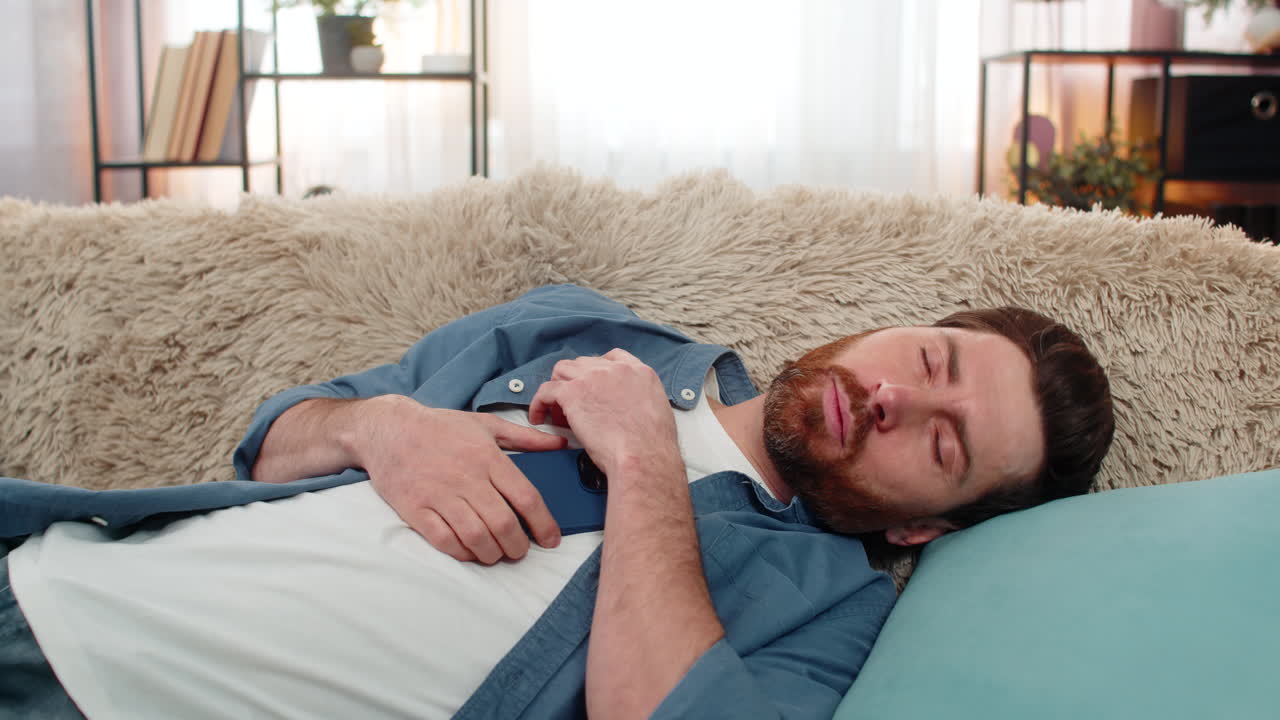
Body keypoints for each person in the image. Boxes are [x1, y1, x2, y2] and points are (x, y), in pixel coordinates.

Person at [0, 284, 1114, 719]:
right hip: (44, 571)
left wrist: (642, 463)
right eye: (924, 361)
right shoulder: (587, 331)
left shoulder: (832, 618)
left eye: (942, 441)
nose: (887, 398)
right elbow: (270, 444)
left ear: (922, 526)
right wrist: (378, 428)